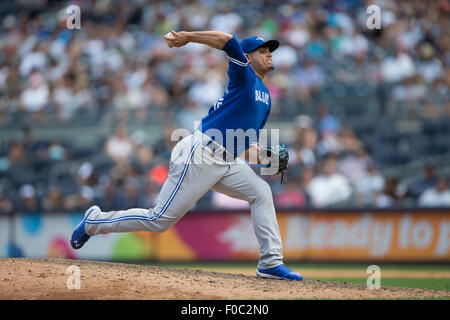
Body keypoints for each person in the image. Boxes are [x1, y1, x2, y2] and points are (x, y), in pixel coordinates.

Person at [71, 30, 302, 281]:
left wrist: (268, 158)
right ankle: (94, 221)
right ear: (247, 57)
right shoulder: (244, 75)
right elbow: (228, 40)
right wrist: (187, 36)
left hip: (227, 160)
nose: (269, 53)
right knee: (159, 220)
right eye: (262, 50)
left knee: (261, 192)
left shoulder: (266, 98)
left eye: (270, 49)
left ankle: (270, 263)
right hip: (201, 154)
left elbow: (245, 146)